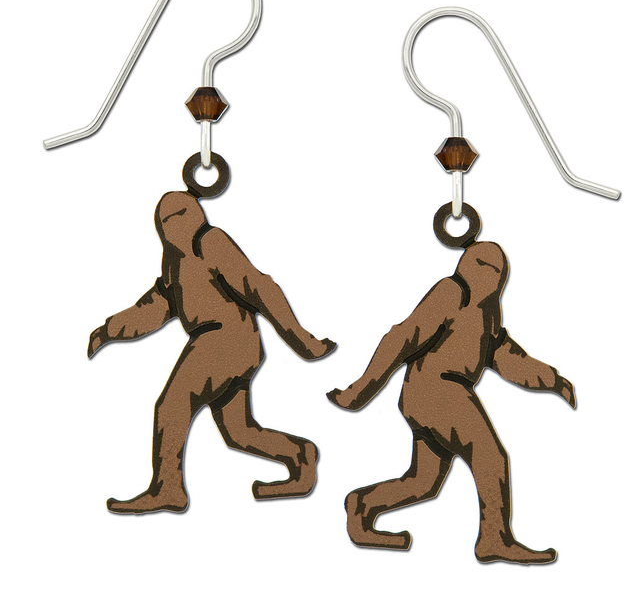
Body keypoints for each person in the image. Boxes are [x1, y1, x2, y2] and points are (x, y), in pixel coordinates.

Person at [89, 190, 336, 514]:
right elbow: (157, 305)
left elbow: (259, 288)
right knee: (239, 432)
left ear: (195, 214)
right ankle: (299, 455)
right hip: (229, 345)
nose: (173, 226)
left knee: (172, 406)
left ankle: (168, 488)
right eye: (166, 221)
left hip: (224, 339)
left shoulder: (212, 242)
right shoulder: (173, 261)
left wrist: (302, 340)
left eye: (180, 215)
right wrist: (109, 330)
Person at [328, 241, 575, 564]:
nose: (490, 277)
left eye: (497, 271)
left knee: (424, 482)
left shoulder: (489, 311)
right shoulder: (450, 292)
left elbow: (504, 355)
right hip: (438, 389)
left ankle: (363, 505)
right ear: (467, 264)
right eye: (483, 266)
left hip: (433, 395)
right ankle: (494, 538)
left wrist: (552, 380)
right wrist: (361, 390)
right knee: (489, 456)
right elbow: (402, 338)